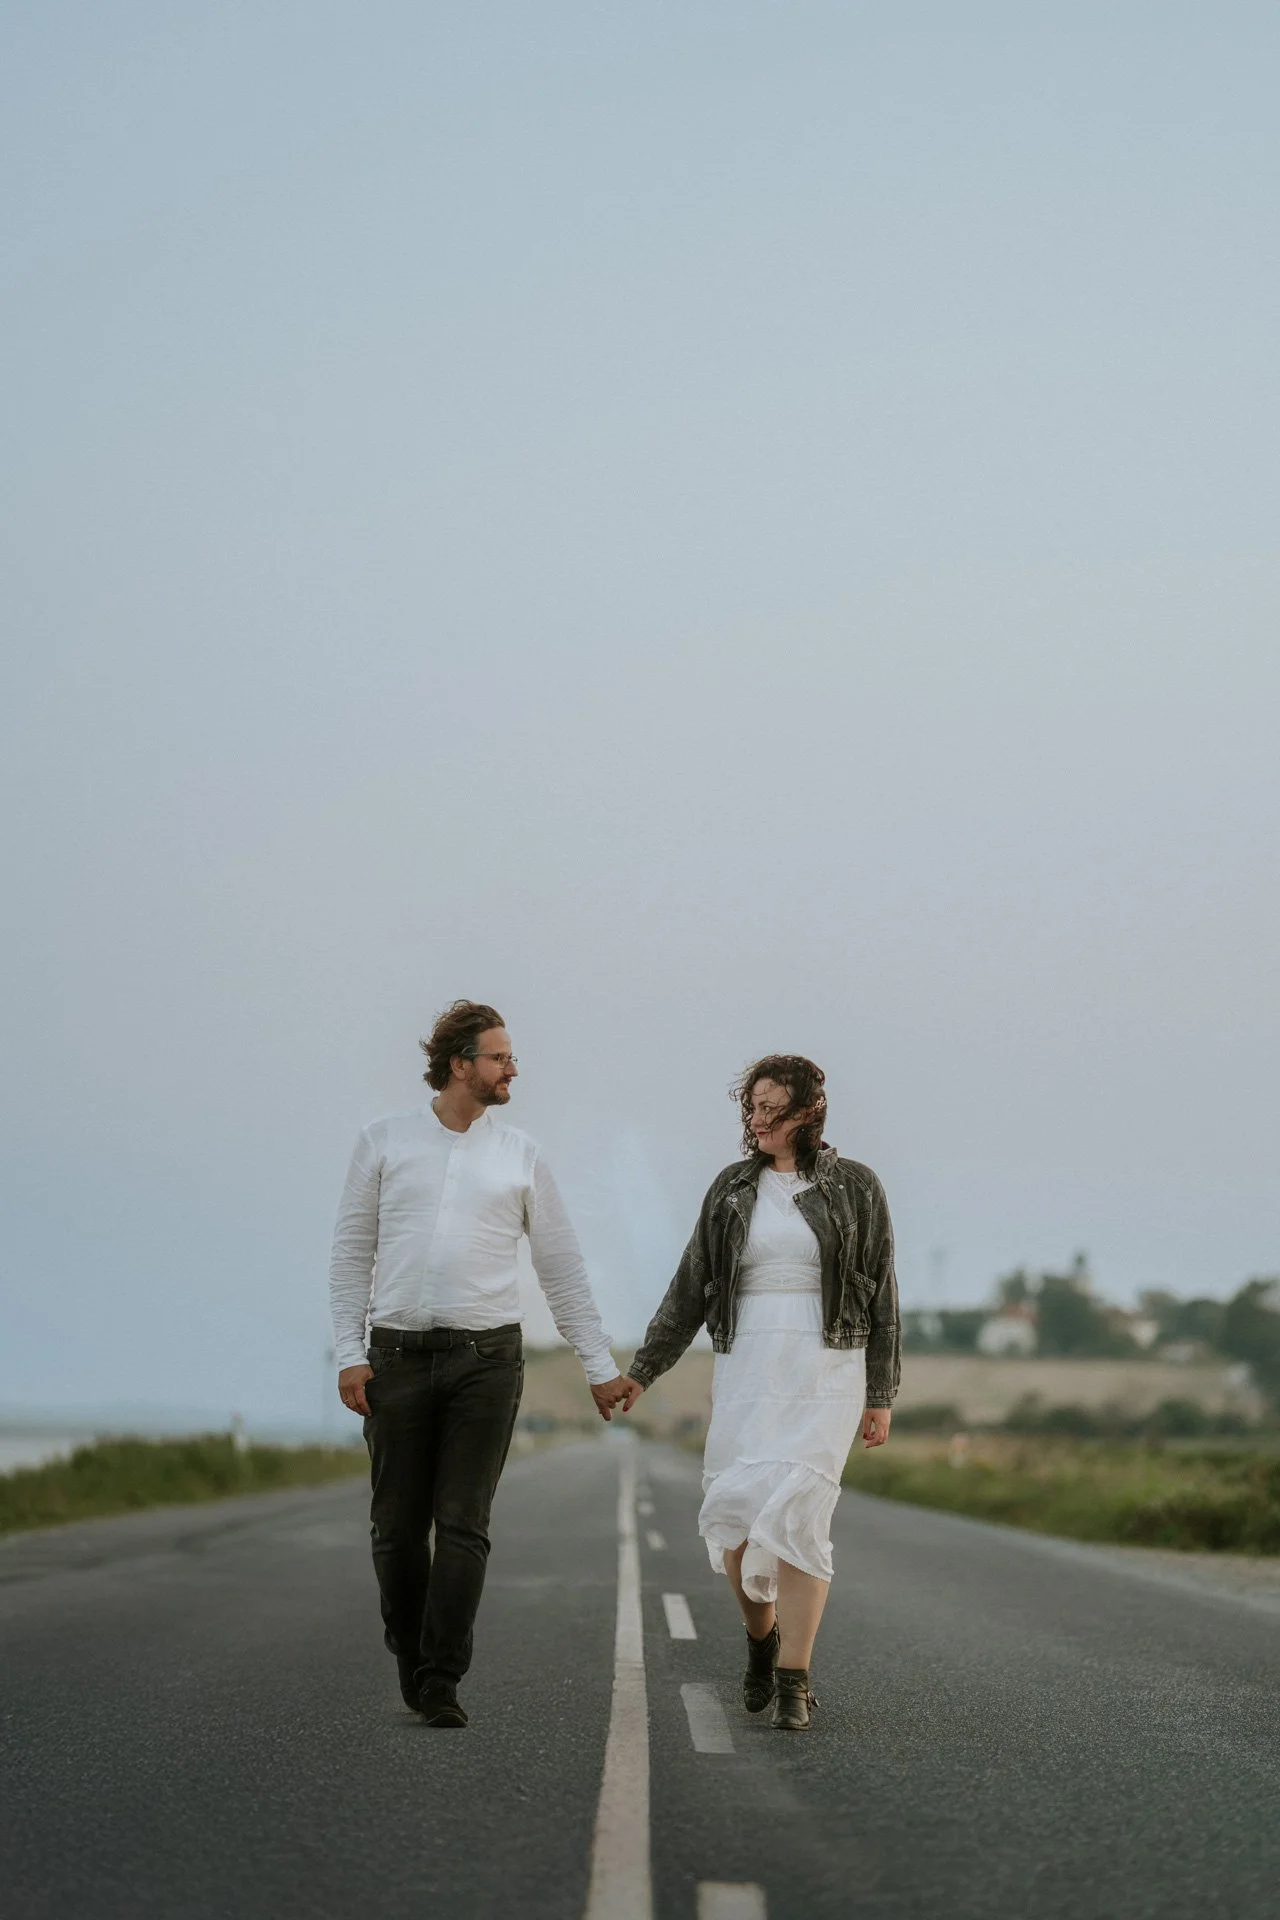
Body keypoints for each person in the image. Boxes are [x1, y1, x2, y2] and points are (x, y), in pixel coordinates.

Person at [329, 999, 630, 1727]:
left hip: (487, 1360)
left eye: (511, 1057)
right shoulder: (383, 1141)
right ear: (459, 1063)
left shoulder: (520, 1154)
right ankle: (412, 1647)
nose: (513, 1069)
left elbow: (561, 1267)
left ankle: (440, 1678)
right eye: (499, 1057)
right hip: (395, 1357)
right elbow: (350, 1255)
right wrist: (349, 1355)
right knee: (397, 1530)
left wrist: (597, 1364)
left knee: (463, 1521)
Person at [622, 1054, 899, 1731]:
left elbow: (883, 1290)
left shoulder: (857, 1187)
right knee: (739, 1512)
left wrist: (879, 1391)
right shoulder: (731, 1189)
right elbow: (690, 1288)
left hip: (828, 1365)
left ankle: (794, 1678)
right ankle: (760, 1638)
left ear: (807, 1112)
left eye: (771, 1107)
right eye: (752, 1107)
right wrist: (642, 1370)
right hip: (750, 1365)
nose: (757, 1119)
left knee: (803, 1515)